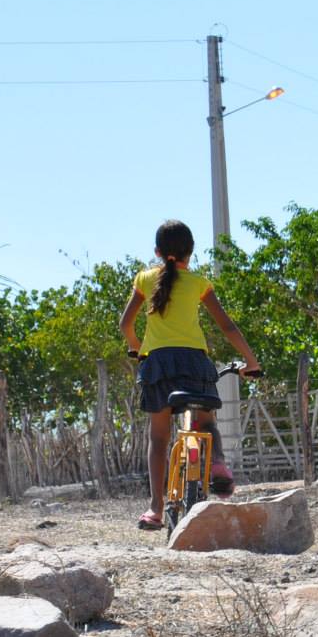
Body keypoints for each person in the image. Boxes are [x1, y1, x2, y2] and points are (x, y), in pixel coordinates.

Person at [119, 219, 262, 530]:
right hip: (195, 364)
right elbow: (227, 326)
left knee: (158, 438)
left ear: (157, 252)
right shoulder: (199, 283)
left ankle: (155, 509)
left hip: (157, 365)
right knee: (206, 421)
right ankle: (218, 464)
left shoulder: (144, 279)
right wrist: (251, 361)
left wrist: (136, 348)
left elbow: (125, 324)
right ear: (191, 253)